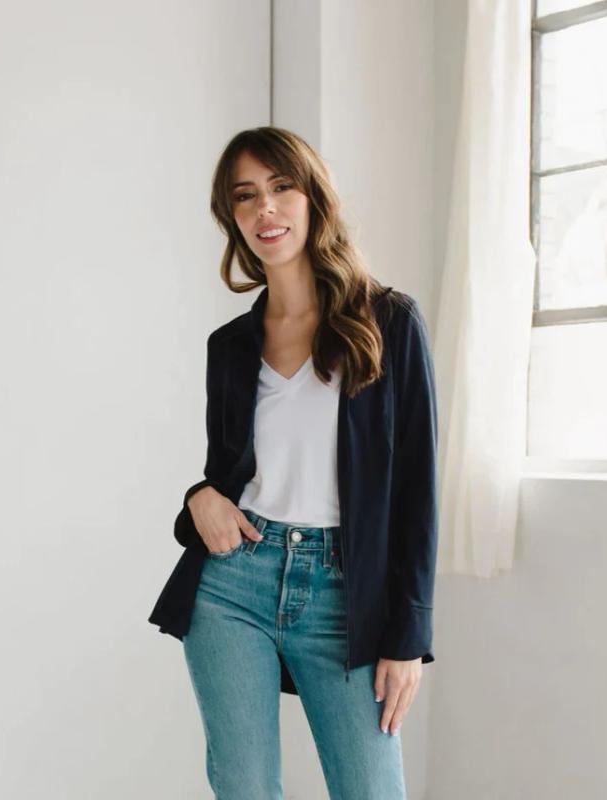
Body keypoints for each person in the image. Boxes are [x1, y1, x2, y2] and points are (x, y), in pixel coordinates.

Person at [148, 126, 439, 799]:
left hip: (347, 591)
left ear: (314, 199)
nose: (265, 210)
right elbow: (228, 476)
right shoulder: (230, 345)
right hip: (233, 588)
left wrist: (408, 637)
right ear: (233, 219)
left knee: (371, 789)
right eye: (245, 197)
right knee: (245, 787)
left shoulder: (388, 321)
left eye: (282, 188)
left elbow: (418, 490)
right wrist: (199, 495)